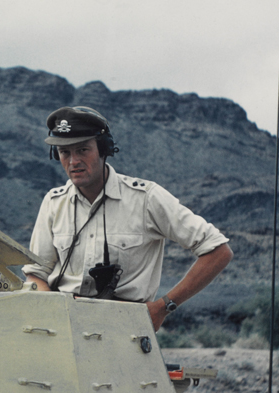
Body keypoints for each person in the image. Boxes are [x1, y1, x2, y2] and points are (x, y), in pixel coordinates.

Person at [22, 106, 233, 331]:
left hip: (126, 332)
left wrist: (164, 306)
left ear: (104, 149)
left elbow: (218, 251)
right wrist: (51, 311)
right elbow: (36, 275)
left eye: (83, 150)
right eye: (64, 153)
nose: (73, 161)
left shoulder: (146, 198)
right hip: (63, 330)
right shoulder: (54, 202)